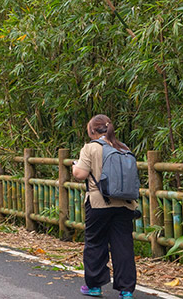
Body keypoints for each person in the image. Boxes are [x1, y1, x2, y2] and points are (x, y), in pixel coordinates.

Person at [71, 114, 138, 299]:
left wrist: (75, 166)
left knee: (95, 242)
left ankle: (95, 286)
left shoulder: (91, 148)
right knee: (123, 245)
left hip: (99, 203)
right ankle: (126, 290)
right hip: (125, 204)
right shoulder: (123, 147)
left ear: (92, 130)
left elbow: (81, 174)